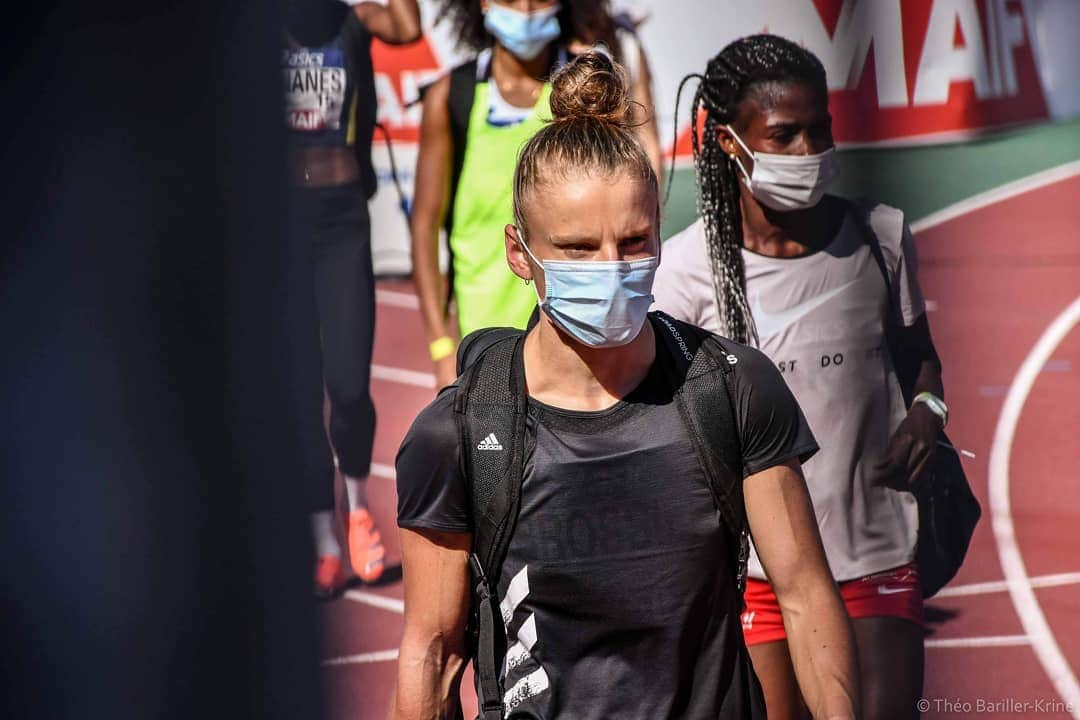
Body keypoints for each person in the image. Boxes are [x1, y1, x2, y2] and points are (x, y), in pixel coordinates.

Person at [391, 52, 858, 720]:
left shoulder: (730, 388)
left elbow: (807, 595)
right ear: (519, 254)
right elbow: (432, 655)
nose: (612, 270)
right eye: (579, 249)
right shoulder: (460, 434)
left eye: (634, 241)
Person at [653, 34, 946, 720]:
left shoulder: (881, 235)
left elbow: (921, 355)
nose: (808, 151)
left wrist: (930, 408)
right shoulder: (686, 271)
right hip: (754, 574)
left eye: (821, 128)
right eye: (783, 135)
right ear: (729, 142)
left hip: (875, 550)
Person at [411, 0, 630, 388]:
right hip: (482, 341)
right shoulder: (452, 97)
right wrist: (441, 348)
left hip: (576, 335)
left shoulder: (587, 91)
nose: (526, 8)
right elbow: (425, 227)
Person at [282, 0, 421, 597]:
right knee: (299, 387)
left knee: (347, 387)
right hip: (281, 226)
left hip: (342, 223)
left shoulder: (355, 20)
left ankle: (359, 508)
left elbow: (409, 25)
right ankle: (322, 543)